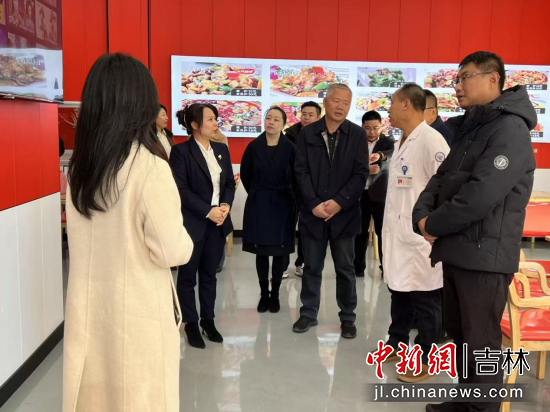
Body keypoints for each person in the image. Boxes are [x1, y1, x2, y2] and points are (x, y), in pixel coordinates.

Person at [63, 53, 193, 412]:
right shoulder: (149, 167)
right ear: (141, 104)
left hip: (88, 310)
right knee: (139, 398)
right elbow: (172, 250)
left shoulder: (81, 168)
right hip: (137, 315)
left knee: (93, 398)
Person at [413, 51, 537, 412]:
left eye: (465, 77)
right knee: (462, 334)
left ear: (492, 78)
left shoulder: (509, 129)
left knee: (481, 341)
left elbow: (481, 194)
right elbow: (441, 179)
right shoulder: (473, 127)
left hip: (485, 255)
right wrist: (421, 216)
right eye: (457, 79)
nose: (457, 86)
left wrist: (433, 224)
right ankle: (465, 402)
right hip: (458, 249)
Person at [378, 83, 449, 383]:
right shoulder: (401, 141)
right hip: (398, 236)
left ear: (406, 104)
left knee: (425, 298)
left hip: (421, 239)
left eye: (393, 103)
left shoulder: (432, 141)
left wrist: (432, 226)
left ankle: (427, 357)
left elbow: (446, 189)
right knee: (400, 291)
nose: (389, 109)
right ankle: (397, 341)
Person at [293, 83, 368, 339]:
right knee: (312, 267)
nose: (341, 107)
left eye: (346, 103)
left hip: (344, 214)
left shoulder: (356, 134)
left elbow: (360, 174)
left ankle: (347, 317)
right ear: (325, 102)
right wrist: (314, 203)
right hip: (313, 213)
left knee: (345, 269)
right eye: (336, 101)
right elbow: (300, 170)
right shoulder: (308, 133)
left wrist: (339, 202)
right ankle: (308, 313)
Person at [170, 103, 235, 349]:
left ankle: (209, 320)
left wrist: (225, 206)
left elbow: (228, 183)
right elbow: (181, 190)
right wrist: (209, 211)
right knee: (188, 277)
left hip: (218, 223)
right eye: (209, 119)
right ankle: (191, 323)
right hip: (193, 224)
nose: (215, 122)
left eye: (215, 118)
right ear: (195, 125)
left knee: (210, 276)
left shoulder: (221, 149)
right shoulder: (181, 152)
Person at [241, 107, 296, 313]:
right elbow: (246, 175)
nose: (271, 122)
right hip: (260, 202)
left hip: (283, 203)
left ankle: (276, 294)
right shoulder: (253, 146)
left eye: (276, 119)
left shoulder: (291, 148)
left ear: (283, 124)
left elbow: (297, 177)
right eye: (268, 118)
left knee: (280, 250)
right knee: (261, 250)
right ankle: (264, 293)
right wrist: (259, 193)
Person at [283, 101, 322, 278]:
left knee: (307, 229)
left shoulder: (323, 134)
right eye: (304, 114)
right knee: (287, 227)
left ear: (318, 117)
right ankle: (282, 265)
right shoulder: (290, 134)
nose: (306, 118)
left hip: (312, 190)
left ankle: (302, 263)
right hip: (291, 188)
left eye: (310, 115)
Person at [353, 111, 395, 277]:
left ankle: (387, 269)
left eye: (375, 128)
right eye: (367, 128)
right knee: (359, 233)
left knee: (383, 233)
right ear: (362, 127)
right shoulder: (356, 142)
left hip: (380, 195)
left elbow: (391, 155)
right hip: (360, 194)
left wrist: (381, 155)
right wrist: (366, 170)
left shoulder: (388, 142)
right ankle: (357, 269)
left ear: (381, 127)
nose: (371, 132)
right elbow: (350, 164)